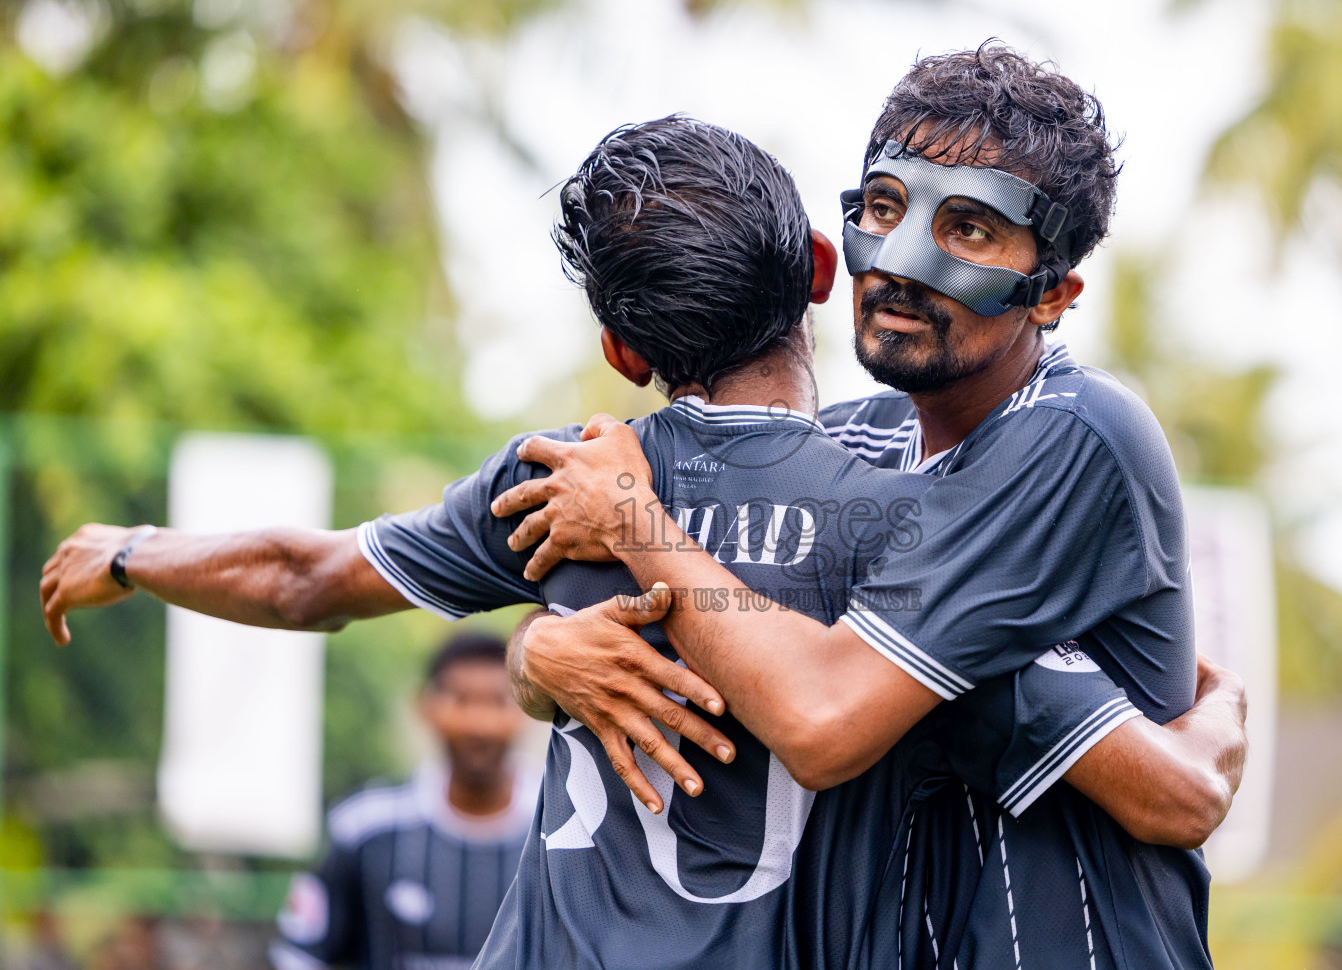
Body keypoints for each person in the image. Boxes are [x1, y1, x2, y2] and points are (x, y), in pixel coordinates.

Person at [38, 115, 1242, 970]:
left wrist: (137, 549)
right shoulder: (911, 518)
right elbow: (1118, 752)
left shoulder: (566, 476)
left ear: (622, 349)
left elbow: (307, 576)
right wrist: (1201, 741)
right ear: (825, 273)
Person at [491, 44, 1225, 969]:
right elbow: (697, 624)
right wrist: (540, 654)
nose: (904, 263)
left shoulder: (1075, 434)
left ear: (1056, 295)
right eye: (887, 206)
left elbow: (821, 716)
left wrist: (636, 520)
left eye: (971, 230)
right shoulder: (851, 445)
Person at [269, 631, 538, 970]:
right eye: (461, 700)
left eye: (498, 701)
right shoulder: (363, 828)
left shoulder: (565, 829)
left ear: (530, 706)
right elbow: (299, 954)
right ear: (425, 705)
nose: (479, 723)